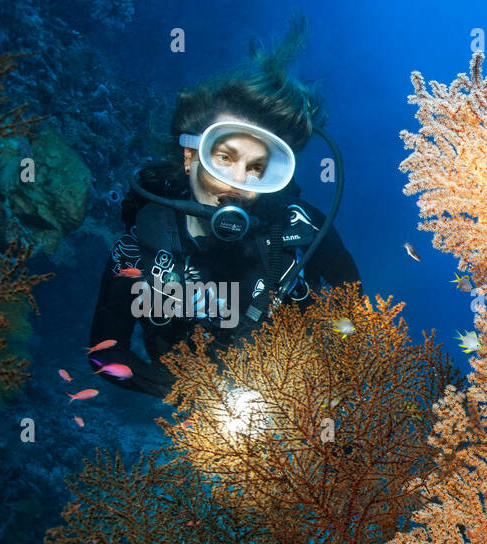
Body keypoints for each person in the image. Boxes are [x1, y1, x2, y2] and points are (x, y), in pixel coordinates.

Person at [87, 21, 358, 399]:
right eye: (224, 158)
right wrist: (187, 395)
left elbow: (358, 316)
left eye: (257, 168)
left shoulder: (303, 227)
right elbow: (103, 352)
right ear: (190, 157)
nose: (238, 181)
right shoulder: (139, 246)